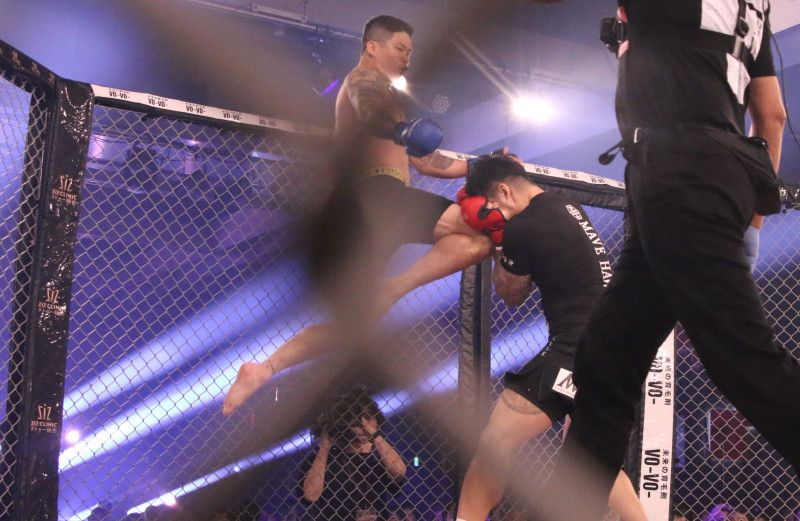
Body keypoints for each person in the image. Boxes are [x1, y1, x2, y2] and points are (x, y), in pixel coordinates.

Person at [540, 1, 800, 520]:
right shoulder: (751, 6)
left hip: (679, 171)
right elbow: (772, 114)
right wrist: (753, 220)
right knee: (606, 357)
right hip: (704, 175)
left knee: (741, 355)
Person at [222, 14, 492, 416]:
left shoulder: (392, 101)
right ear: (372, 47)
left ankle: (264, 368)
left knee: (354, 324)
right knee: (479, 233)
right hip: (377, 193)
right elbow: (369, 112)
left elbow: (427, 162)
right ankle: (396, 287)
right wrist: (401, 131)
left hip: (374, 208)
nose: (407, 58)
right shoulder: (363, 80)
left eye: (411, 52)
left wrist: (485, 166)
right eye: (400, 48)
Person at [448, 154, 644, 521]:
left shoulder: (524, 225)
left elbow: (511, 295)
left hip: (577, 349)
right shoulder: (567, 206)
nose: (496, 215)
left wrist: (498, 241)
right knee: (591, 459)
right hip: (615, 350)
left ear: (503, 192)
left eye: (492, 207)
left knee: (495, 441)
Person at [299, 388, 407, 521]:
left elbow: (399, 471)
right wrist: (325, 445)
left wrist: (374, 434)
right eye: (356, 418)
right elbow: (311, 495)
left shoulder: (379, 462)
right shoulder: (323, 461)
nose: (363, 424)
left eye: (369, 416)